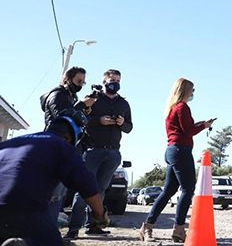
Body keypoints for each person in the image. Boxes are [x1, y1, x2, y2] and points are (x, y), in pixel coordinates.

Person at [0, 110, 108, 246]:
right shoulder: (62, 147)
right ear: (68, 138)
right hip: (25, 209)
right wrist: (100, 214)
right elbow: (86, 183)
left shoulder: (13, 142)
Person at [139, 78, 215, 242]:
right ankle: (179, 229)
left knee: (168, 191)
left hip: (173, 150)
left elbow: (185, 128)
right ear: (186, 91)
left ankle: (148, 226)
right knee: (188, 189)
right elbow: (188, 130)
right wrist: (203, 126)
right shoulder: (182, 107)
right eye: (192, 90)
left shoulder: (173, 108)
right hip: (181, 150)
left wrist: (202, 124)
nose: (193, 93)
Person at [65, 69, 133, 239]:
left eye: (118, 80)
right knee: (83, 190)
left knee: (100, 191)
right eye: (111, 79)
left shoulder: (123, 104)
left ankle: (93, 226)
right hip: (92, 150)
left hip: (113, 152)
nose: (115, 82)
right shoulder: (93, 99)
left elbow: (129, 128)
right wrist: (99, 121)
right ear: (104, 81)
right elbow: (80, 119)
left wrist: (122, 123)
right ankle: (73, 229)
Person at [39, 66, 97, 223]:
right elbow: (62, 118)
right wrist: (80, 106)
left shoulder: (71, 98)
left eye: (83, 82)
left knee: (59, 196)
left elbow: (74, 122)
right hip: (55, 148)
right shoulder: (57, 95)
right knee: (52, 195)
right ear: (68, 79)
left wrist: (84, 112)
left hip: (68, 149)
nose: (80, 85)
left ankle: (50, 234)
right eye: (78, 81)